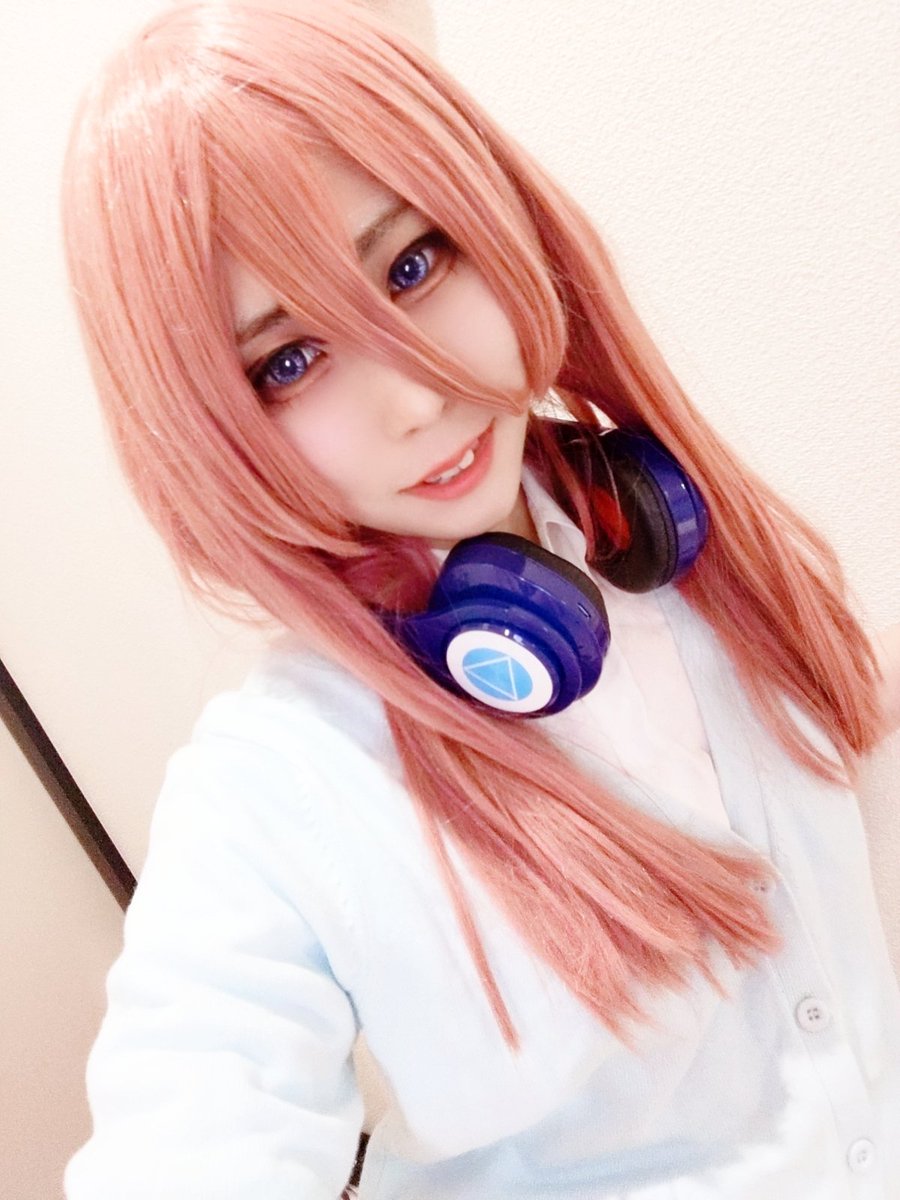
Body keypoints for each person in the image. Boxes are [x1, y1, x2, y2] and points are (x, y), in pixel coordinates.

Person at [60, 1, 900, 1196]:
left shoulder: (685, 547)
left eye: (411, 266)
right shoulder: (277, 788)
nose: (416, 397)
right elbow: (189, 1126)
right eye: (289, 361)